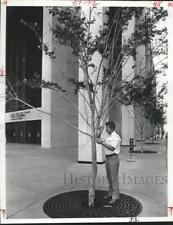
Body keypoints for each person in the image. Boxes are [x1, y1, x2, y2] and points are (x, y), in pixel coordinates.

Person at [97, 121, 121, 204]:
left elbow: (112, 148)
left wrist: (103, 143)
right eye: (106, 127)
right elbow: (97, 140)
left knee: (114, 178)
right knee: (109, 178)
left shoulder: (116, 137)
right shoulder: (107, 135)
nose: (106, 129)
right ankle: (110, 193)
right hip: (107, 158)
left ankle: (115, 197)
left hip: (114, 158)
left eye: (107, 128)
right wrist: (100, 130)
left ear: (111, 128)